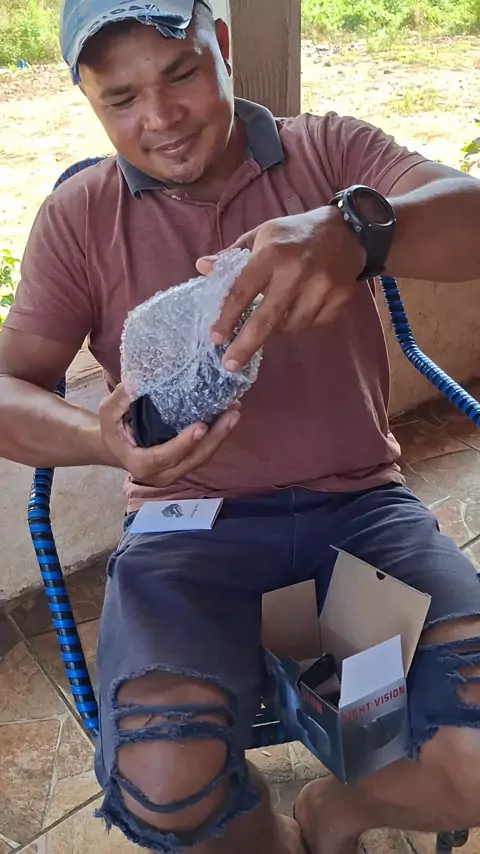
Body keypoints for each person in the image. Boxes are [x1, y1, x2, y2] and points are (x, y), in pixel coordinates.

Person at [1, 1, 480, 852]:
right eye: (121, 99)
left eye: (180, 73)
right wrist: (101, 442)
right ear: (87, 99)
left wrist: (358, 230)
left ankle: (333, 813)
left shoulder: (328, 153)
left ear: (221, 46)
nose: (160, 118)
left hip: (360, 514)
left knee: (474, 753)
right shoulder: (80, 216)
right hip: (186, 531)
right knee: (162, 786)